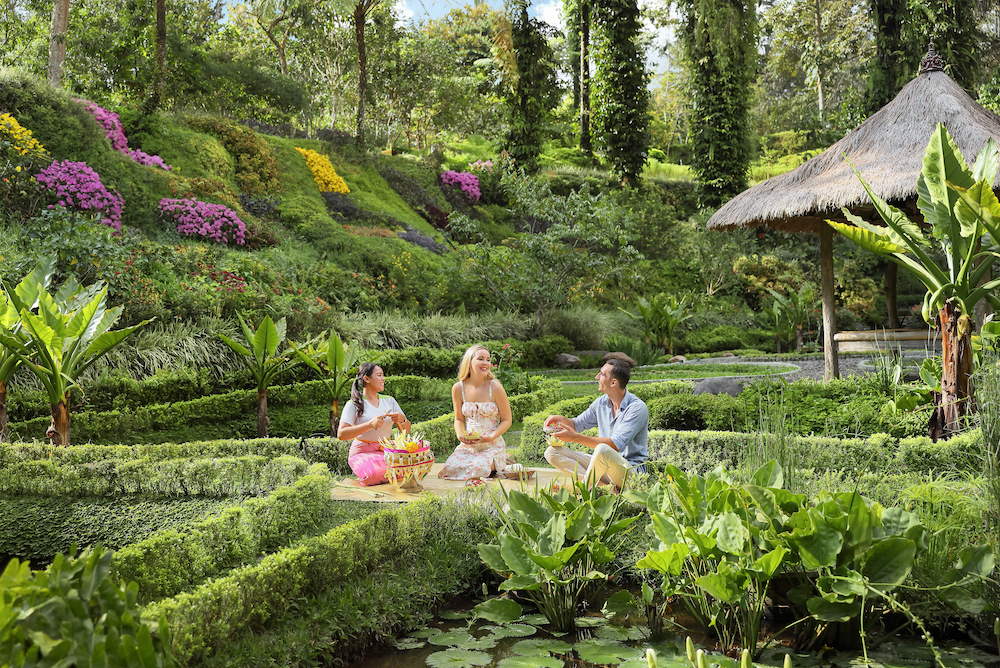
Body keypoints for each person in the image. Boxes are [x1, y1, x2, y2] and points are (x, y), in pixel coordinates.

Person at [544, 358, 648, 491]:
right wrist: (562, 420)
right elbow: (577, 424)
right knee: (551, 452)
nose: (597, 377)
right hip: (605, 467)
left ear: (613, 382)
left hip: (631, 473)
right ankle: (605, 488)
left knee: (602, 450)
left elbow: (615, 445)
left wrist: (575, 437)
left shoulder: (637, 408)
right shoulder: (601, 403)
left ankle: (582, 491)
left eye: (602, 374)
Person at [438, 344, 519, 480]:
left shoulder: (495, 387)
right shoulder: (458, 388)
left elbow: (507, 420)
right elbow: (458, 419)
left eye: (488, 359)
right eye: (481, 359)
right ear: (469, 362)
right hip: (469, 446)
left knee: (477, 469)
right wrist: (460, 435)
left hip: (492, 445)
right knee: (449, 469)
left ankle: (502, 459)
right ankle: (501, 462)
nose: (485, 363)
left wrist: (491, 437)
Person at [336, 362, 411, 486]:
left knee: (408, 470)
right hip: (363, 452)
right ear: (366, 379)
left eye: (383, 375)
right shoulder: (353, 404)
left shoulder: (389, 401)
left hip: (386, 449)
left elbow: (406, 431)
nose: (383, 378)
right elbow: (341, 435)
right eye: (379, 375)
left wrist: (402, 419)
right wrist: (369, 425)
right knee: (371, 475)